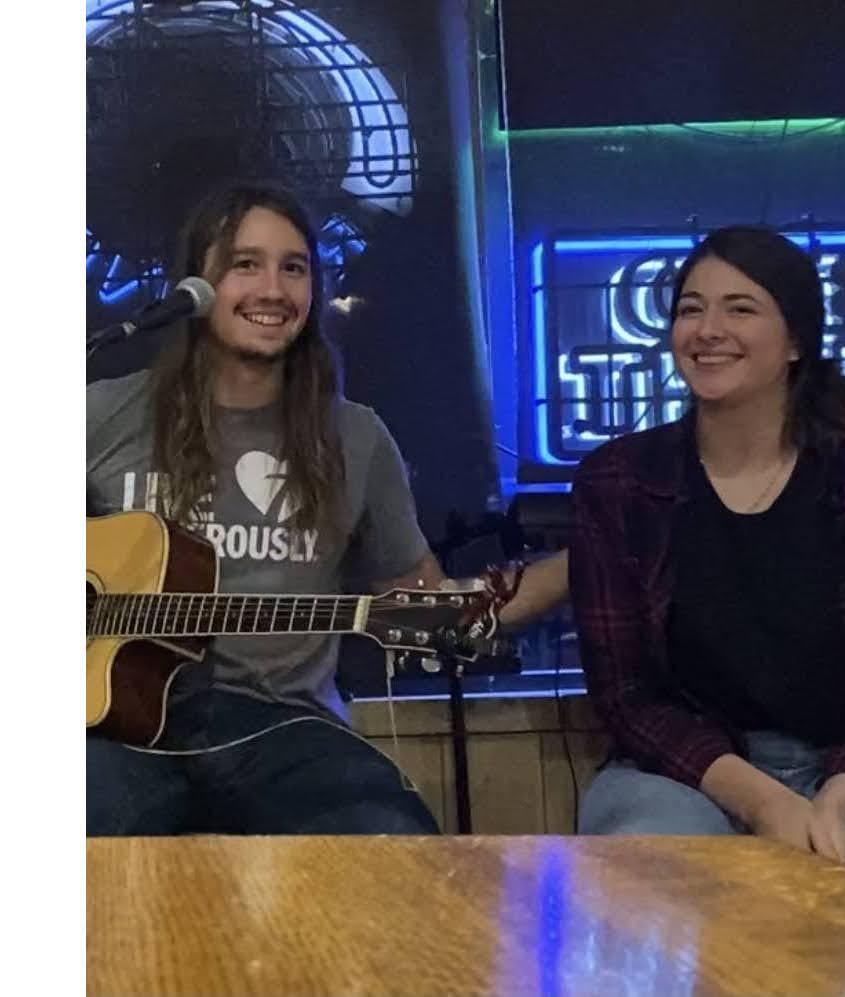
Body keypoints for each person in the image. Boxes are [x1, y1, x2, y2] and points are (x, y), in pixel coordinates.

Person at [86, 182, 568, 836]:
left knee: (392, 843)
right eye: (245, 264)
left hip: (285, 729)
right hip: (114, 730)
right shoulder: (101, 412)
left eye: (294, 268)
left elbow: (424, 600)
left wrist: (574, 569)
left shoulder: (355, 438)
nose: (273, 289)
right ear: (195, 283)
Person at [569, 226, 845, 881]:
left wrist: (837, 797)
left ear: (796, 340)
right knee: (661, 882)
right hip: (686, 773)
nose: (708, 330)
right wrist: (765, 802)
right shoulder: (617, 482)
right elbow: (628, 695)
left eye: (740, 308)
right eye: (690, 309)